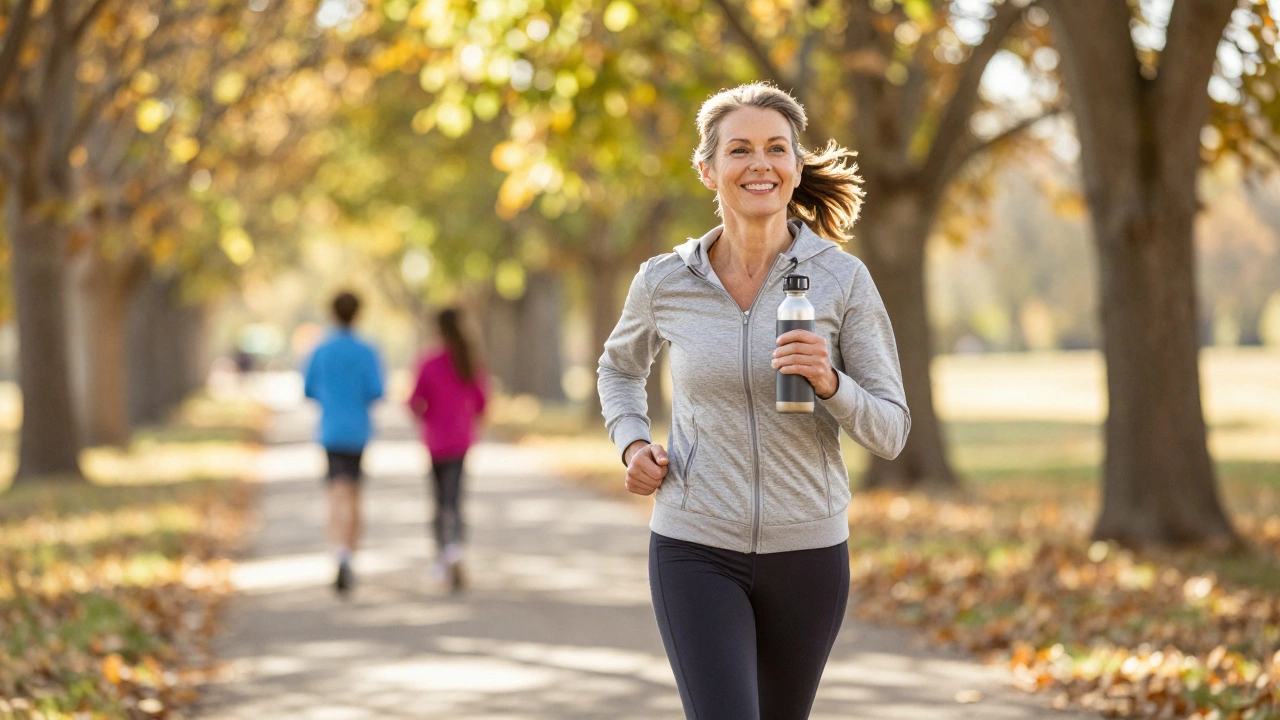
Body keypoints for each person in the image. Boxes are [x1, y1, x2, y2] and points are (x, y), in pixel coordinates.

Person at [597, 82, 911, 720]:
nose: (759, 163)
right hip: (694, 544)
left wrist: (832, 385)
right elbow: (618, 368)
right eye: (739, 150)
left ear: (796, 168)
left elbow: (892, 429)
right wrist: (631, 441)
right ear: (708, 169)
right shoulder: (665, 279)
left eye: (776, 149)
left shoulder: (841, 278)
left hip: (810, 552)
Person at [303, 291, 385, 596]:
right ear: (358, 314)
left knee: (335, 493)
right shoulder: (367, 351)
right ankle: (350, 554)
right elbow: (376, 390)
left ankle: (339, 552)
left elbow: (308, 389)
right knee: (354, 494)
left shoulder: (320, 350)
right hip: (358, 431)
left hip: (331, 430)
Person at [407, 308, 488, 592]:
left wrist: (425, 415)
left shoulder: (428, 362)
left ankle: (443, 555)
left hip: (435, 440)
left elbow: (415, 401)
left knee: (439, 499)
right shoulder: (468, 359)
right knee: (456, 498)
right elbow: (481, 402)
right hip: (461, 439)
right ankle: (456, 549)